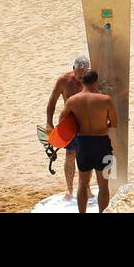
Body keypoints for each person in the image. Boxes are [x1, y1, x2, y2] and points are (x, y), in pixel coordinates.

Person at [57, 69, 118, 213]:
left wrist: (78, 127)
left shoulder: (72, 100)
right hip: (102, 143)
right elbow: (114, 123)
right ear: (95, 82)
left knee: (82, 184)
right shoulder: (105, 99)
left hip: (83, 144)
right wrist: (102, 126)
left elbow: (62, 122)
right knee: (103, 185)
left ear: (82, 82)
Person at [39, 56, 90, 203]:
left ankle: (86, 188)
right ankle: (70, 189)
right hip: (70, 123)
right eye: (78, 74)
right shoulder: (63, 81)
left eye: (84, 75)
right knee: (70, 155)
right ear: (73, 69)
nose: (81, 78)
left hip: (87, 123)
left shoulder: (92, 79)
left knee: (87, 157)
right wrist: (49, 124)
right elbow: (51, 103)